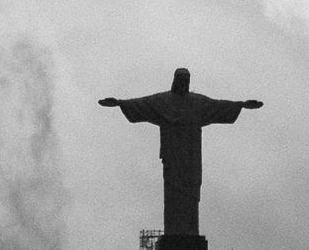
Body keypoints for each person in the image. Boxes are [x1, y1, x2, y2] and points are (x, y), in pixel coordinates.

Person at [99, 67, 262, 239]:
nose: (183, 83)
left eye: (186, 80)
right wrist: (120, 103)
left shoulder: (198, 103)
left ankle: (190, 232)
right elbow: (142, 104)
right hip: (172, 157)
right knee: (172, 197)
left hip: (191, 159)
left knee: (190, 195)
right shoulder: (162, 101)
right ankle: (174, 232)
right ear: (175, 81)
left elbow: (218, 106)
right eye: (180, 79)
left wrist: (241, 105)